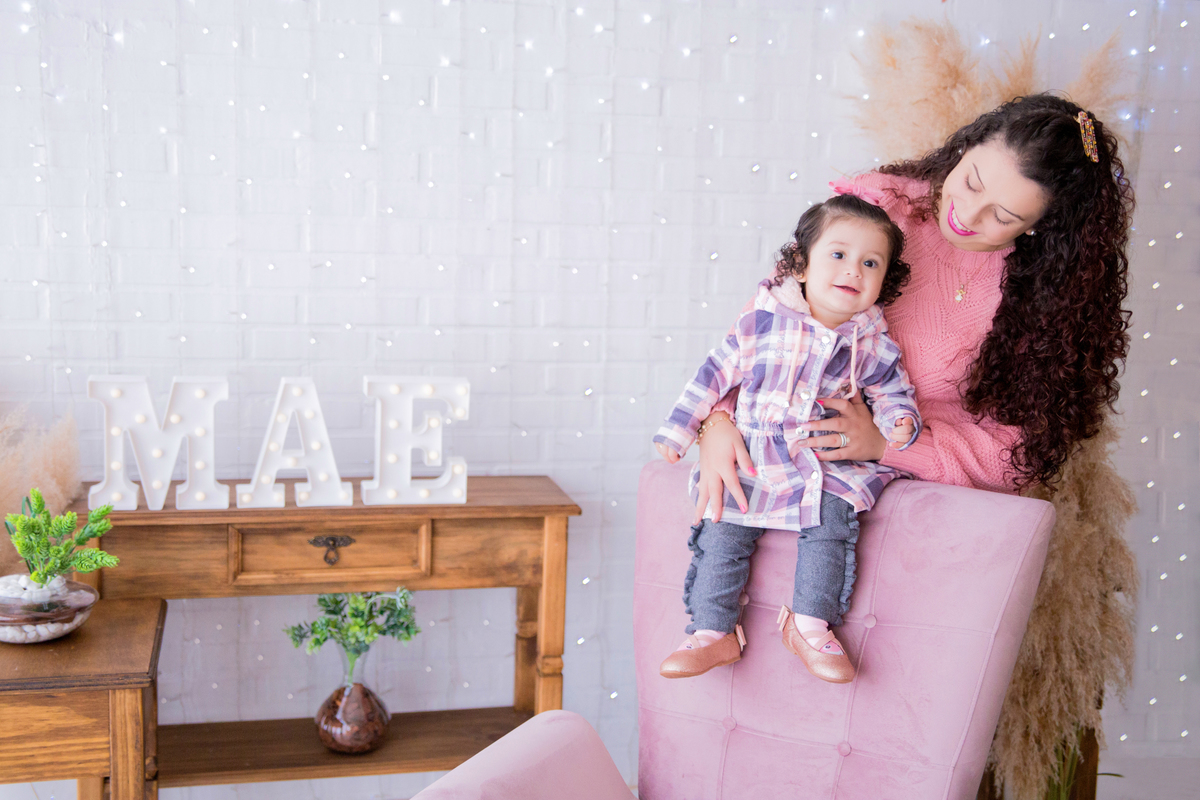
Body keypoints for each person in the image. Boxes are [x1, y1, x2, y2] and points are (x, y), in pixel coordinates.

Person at [676, 94, 1132, 646]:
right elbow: (764, 327)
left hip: (911, 521)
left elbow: (1011, 456)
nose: (968, 215)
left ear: (1042, 226)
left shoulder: (1043, 296)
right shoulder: (878, 213)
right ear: (965, 147)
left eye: (1004, 217)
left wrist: (885, 444)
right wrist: (717, 421)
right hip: (779, 467)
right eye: (972, 181)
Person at [653, 192, 920, 683]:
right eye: (838, 254)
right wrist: (680, 428)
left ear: (884, 280)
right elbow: (714, 375)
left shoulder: (872, 343)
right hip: (755, 454)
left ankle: (810, 625)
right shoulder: (762, 322)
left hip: (825, 461)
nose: (853, 270)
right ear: (800, 264)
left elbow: (891, 389)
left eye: (870, 263)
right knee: (722, 527)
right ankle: (712, 631)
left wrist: (899, 419)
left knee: (832, 526)